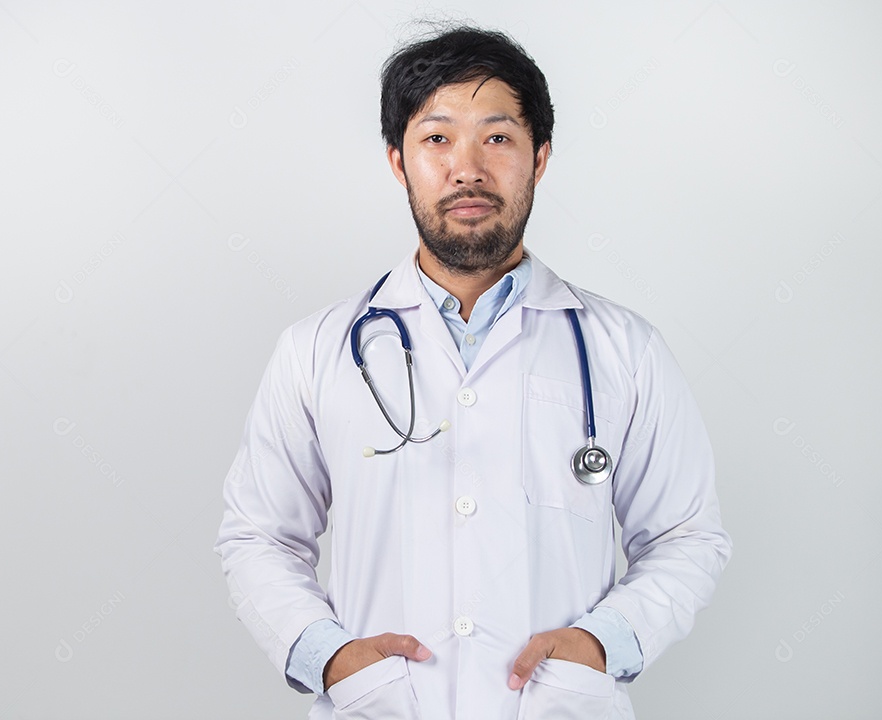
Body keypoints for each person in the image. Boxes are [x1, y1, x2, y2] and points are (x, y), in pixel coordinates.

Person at [214, 23, 731, 720]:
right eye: (436, 139)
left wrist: (605, 643)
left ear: (539, 157)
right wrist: (326, 656)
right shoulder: (316, 351)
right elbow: (259, 536)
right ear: (398, 160)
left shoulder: (623, 349)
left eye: (497, 137)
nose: (467, 170)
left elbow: (685, 536)